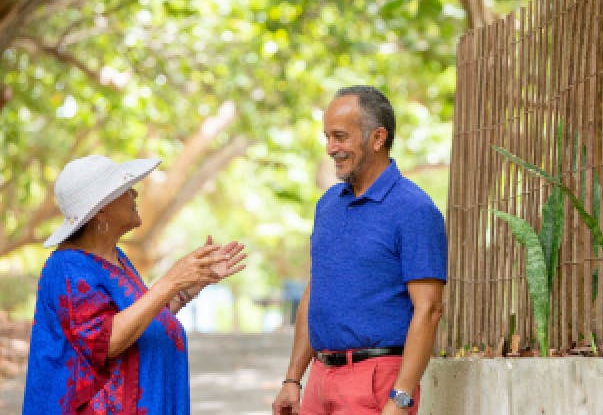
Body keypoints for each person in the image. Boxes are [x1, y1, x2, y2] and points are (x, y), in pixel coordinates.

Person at [22, 155, 247, 414]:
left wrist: (187, 288)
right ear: (101, 209)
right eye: (125, 190)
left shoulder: (115, 258)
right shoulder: (68, 268)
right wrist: (171, 281)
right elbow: (105, 342)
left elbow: (137, 322)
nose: (135, 194)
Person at [272, 86, 447, 415]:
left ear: (377, 138)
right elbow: (317, 290)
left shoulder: (414, 209)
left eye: (340, 137)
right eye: (327, 137)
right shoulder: (328, 205)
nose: (330, 148)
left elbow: (430, 309)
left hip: (376, 382)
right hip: (320, 380)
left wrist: (401, 399)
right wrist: (293, 379)